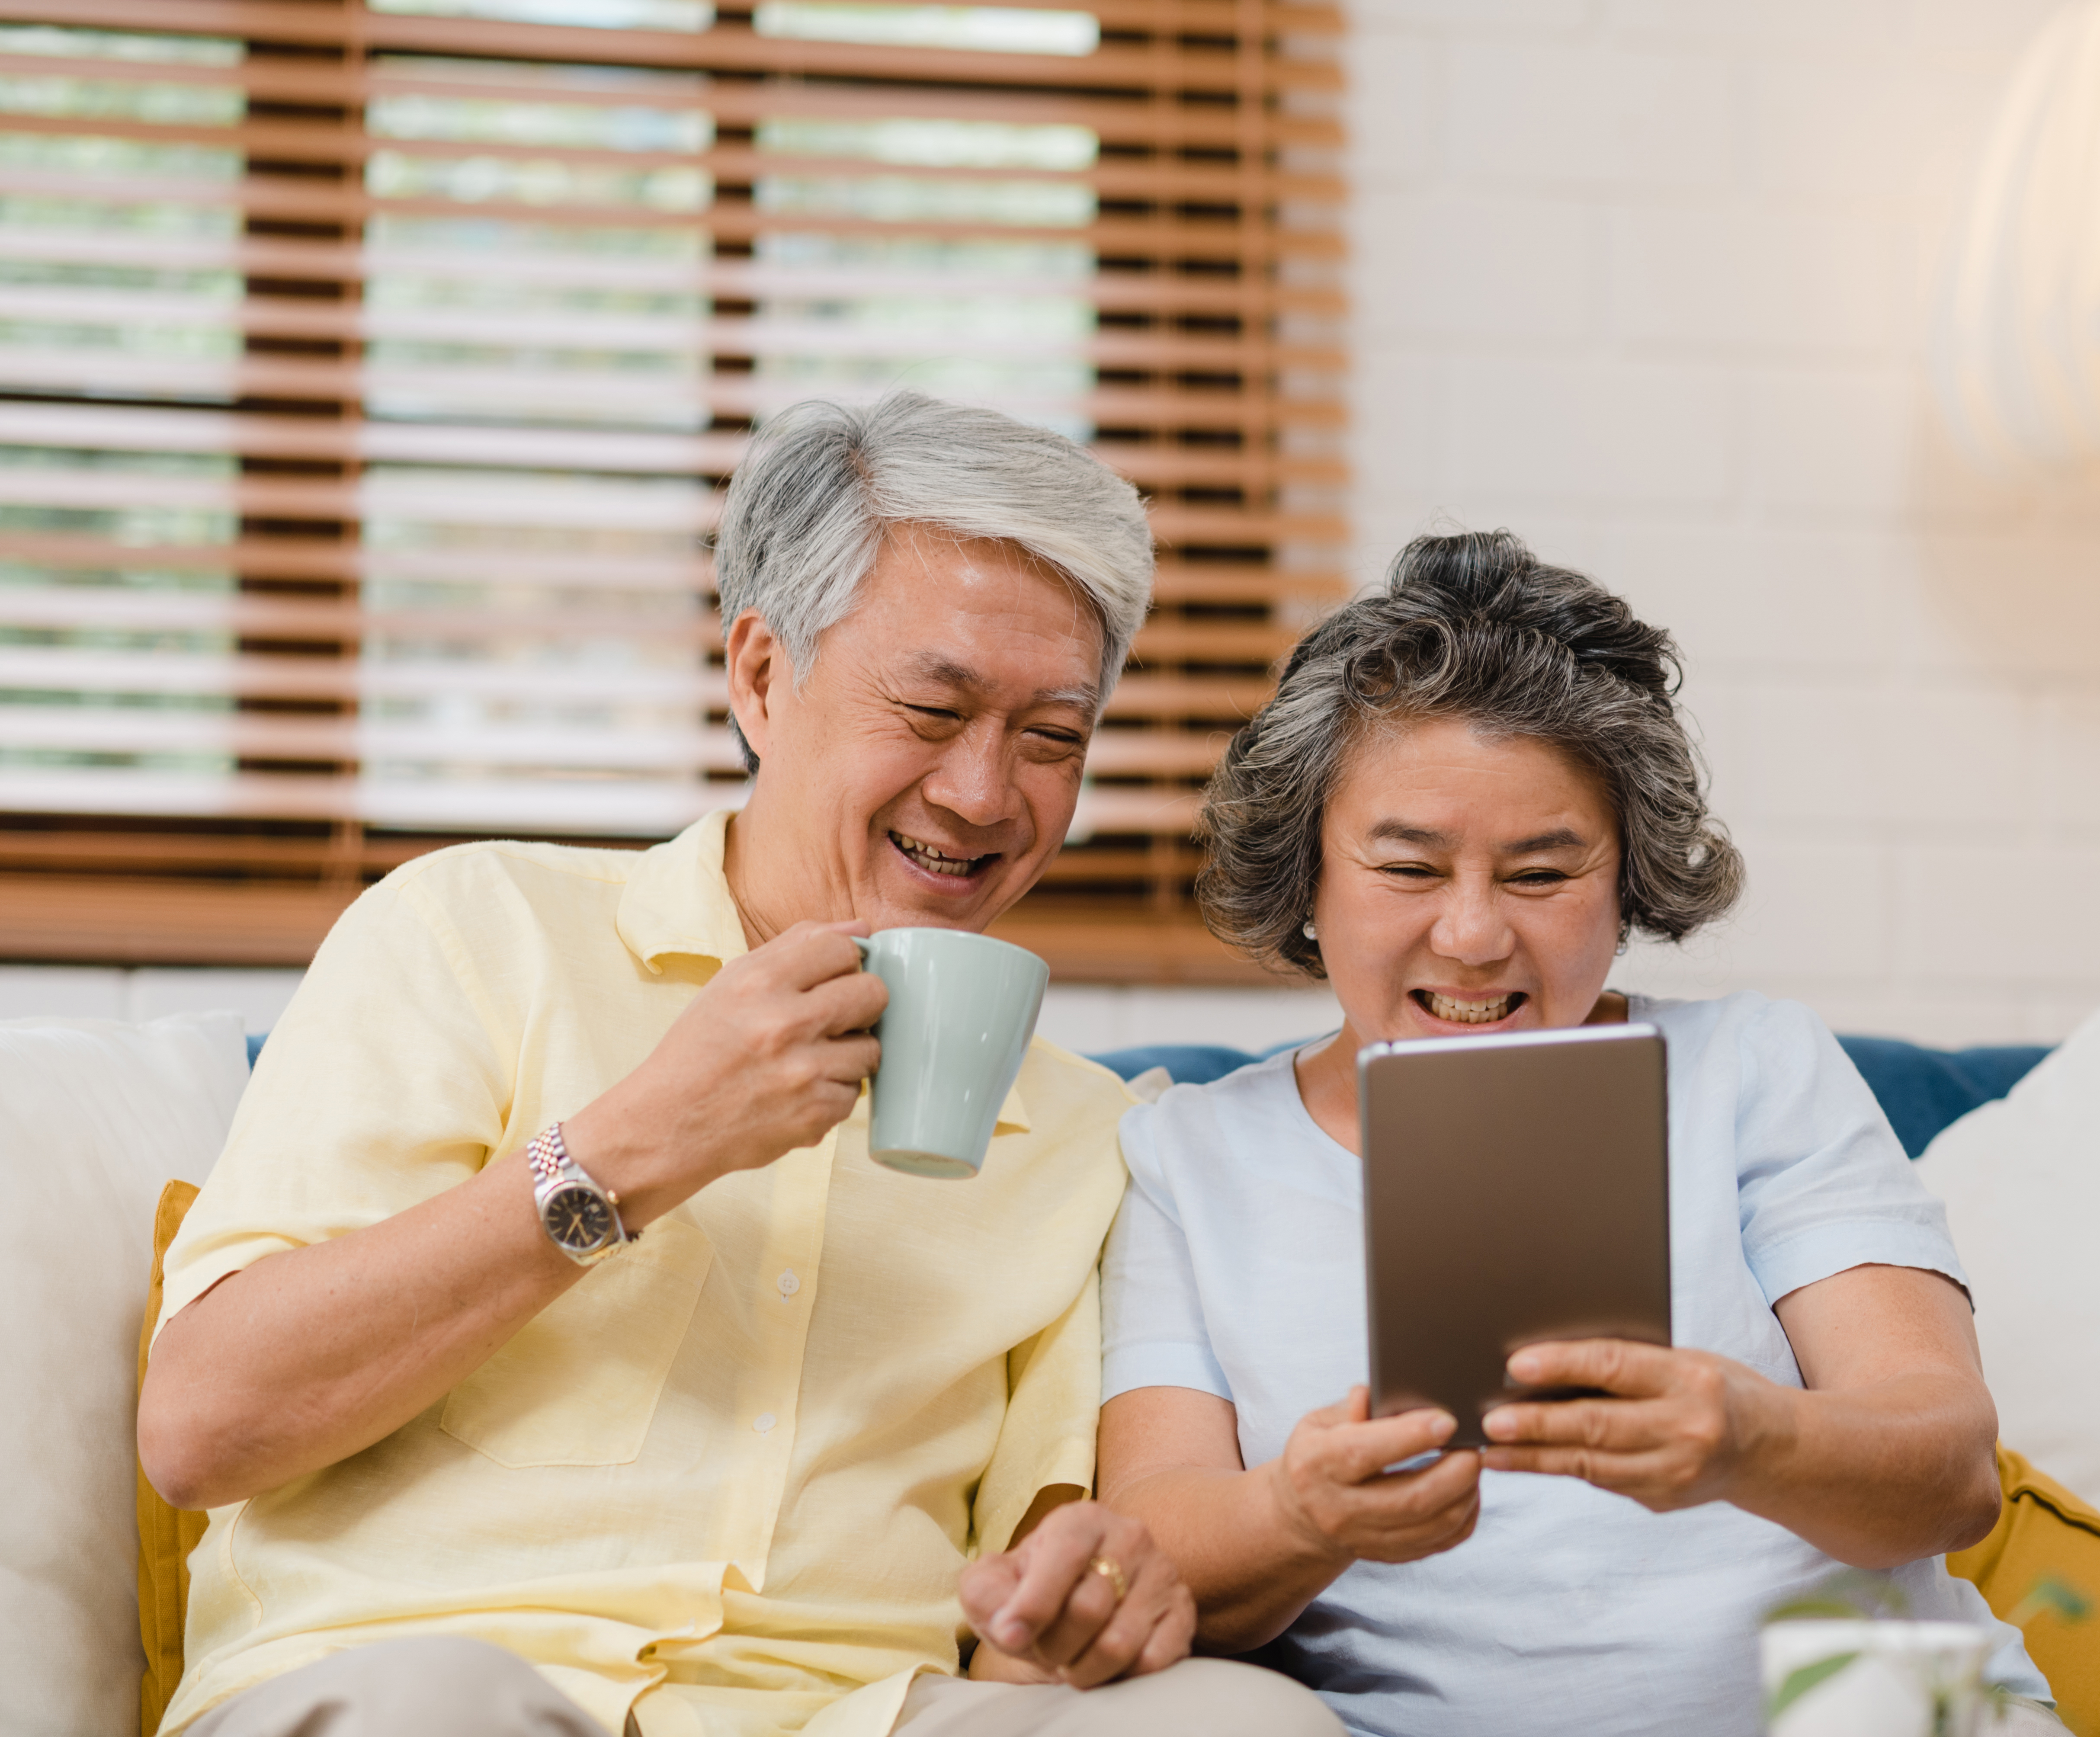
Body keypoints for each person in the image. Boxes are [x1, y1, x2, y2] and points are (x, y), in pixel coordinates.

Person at [136, 394, 1337, 1737]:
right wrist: (632, 1149)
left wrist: (1076, 1612)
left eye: (1052, 738)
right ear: (763, 677)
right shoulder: (475, 928)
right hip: (440, 1679)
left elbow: (1029, 1629)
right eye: (933, 709)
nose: (987, 795)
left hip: (861, 1716)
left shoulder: (1087, 1135)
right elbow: (203, 1428)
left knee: (1240, 1721)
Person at [1091, 532, 2067, 1736]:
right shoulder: (1190, 1158)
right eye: (1407, 867)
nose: (1471, 936)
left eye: (1543, 876)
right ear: (1307, 873)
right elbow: (1151, 1536)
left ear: (1627, 880)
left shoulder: (1753, 1068)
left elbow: (1952, 1471)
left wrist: (1752, 1440)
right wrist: (1303, 1514)